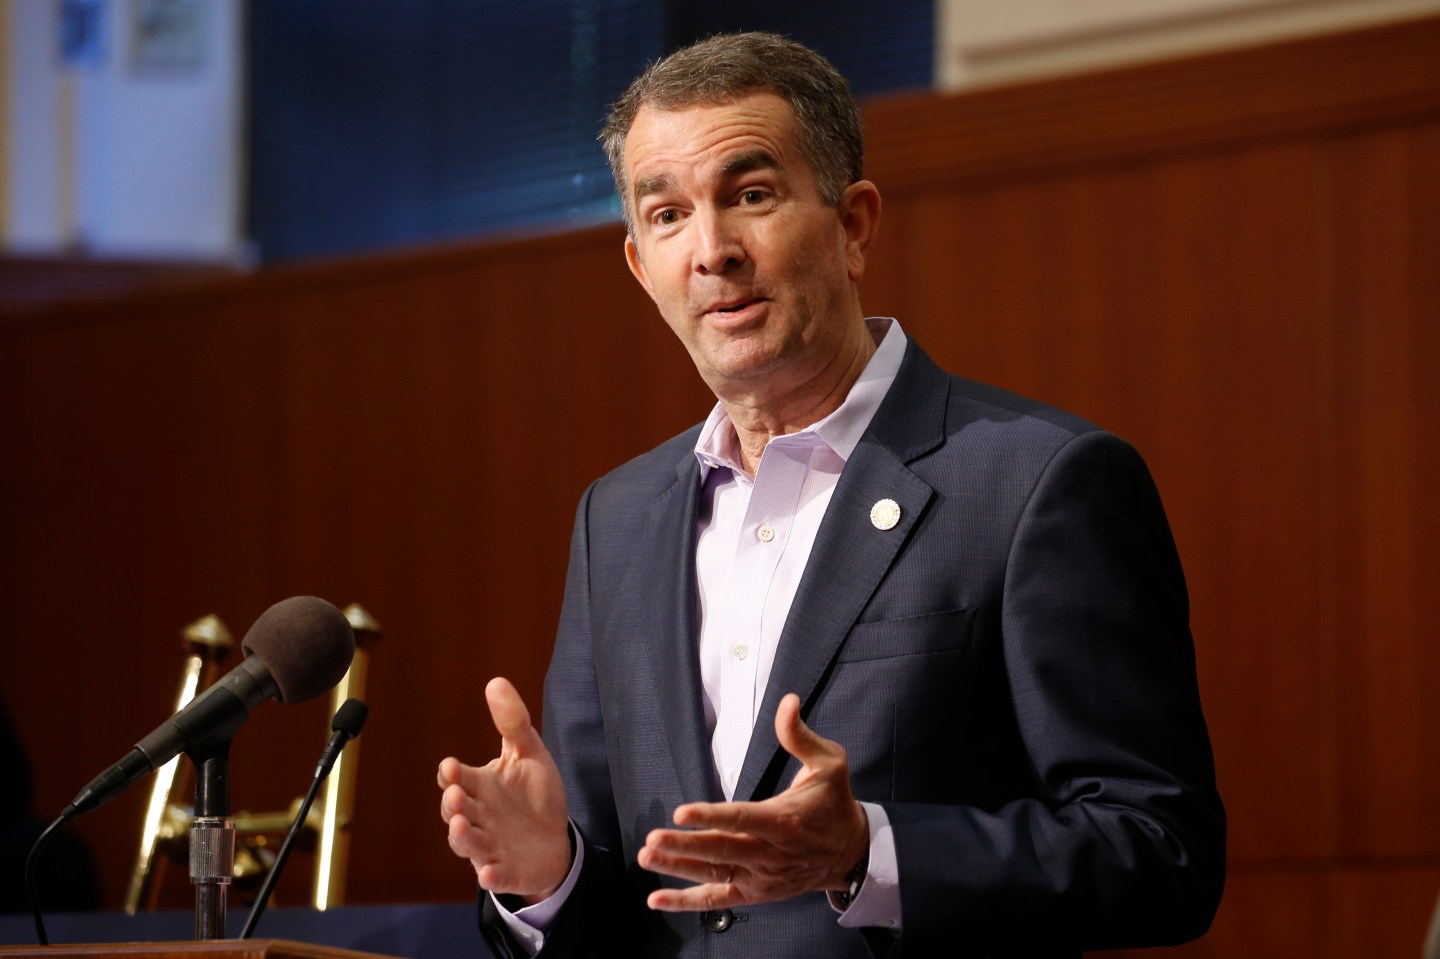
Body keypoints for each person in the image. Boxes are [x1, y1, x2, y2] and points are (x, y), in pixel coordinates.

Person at [437, 32, 1225, 958]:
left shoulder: (1039, 482)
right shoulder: (617, 518)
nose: (713, 251)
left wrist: (868, 851)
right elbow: (638, 908)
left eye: (752, 195)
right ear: (639, 267)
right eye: (667, 216)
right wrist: (547, 876)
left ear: (853, 225)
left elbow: (1162, 853)